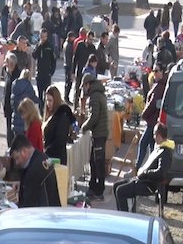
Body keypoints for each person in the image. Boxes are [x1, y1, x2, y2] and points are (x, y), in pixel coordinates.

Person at [115, 124, 173, 212]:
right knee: (116, 186)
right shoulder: (159, 147)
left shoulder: (165, 152)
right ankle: (121, 214)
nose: (153, 137)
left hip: (149, 184)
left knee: (120, 191)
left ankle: (125, 217)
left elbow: (161, 173)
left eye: (154, 135)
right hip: (143, 179)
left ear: (159, 136)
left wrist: (145, 173)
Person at [9, 134, 61, 208]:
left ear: (24, 151)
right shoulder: (43, 157)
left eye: (17, 158)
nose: (17, 162)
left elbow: (28, 206)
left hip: (44, 212)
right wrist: (22, 184)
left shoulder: (33, 171)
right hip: (54, 208)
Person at [80, 72, 109, 201]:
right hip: (100, 133)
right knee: (94, 161)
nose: (84, 89)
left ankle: (98, 190)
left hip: (99, 134)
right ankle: (93, 187)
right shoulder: (99, 93)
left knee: (98, 163)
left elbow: (94, 117)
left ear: (88, 84)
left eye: (84, 86)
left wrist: (84, 127)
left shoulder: (94, 97)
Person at [137, 62, 167, 170]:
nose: (154, 73)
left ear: (162, 72)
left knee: (143, 143)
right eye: (153, 70)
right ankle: (150, 169)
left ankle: (138, 168)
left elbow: (153, 104)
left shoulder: (159, 87)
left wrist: (144, 115)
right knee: (152, 146)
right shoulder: (160, 85)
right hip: (155, 121)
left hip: (153, 122)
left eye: (156, 71)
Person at [42, 86, 75, 165]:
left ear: (56, 100)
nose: (48, 103)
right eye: (47, 100)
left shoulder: (62, 116)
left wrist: (46, 151)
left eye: (50, 100)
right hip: (50, 157)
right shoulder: (50, 114)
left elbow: (60, 141)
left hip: (57, 158)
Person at [11, 69, 38, 139]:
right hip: (24, 120)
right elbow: (34, 100)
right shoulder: (29, 87)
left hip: (15, 118)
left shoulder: (14, 85)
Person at [32, 29, 55, 111]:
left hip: (47, 74)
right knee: (40, 94)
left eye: (44, 36)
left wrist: (51, 72)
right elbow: (34, 55)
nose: (43, 38)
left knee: (47, 94)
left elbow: (53, 60)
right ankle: (40, 110)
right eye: (42, 36)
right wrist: (39, 46)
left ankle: (46, 110)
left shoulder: (50, 46)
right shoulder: (38, 45)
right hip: (39, 73)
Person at [73, 31, 96, 103]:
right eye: (90, 39)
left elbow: (94, 60)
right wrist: (73, 72)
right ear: (86, 38)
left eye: (92, 40)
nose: (91, 41)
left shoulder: (92, 47)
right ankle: (75, 105)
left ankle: (83, 107)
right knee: (77, 90)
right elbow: (75, 59)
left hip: (88, 74)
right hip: (80, 71)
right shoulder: (80, 45)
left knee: (86, 93)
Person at [3, 53, 20, 145]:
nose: (7, 65)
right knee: (9, 132)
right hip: (8, 107)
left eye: (9, 63)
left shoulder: (18, 75)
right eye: (7, 63)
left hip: (14, 109)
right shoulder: (7, 73)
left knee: (13, 133)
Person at [62, 32, 76, 103]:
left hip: (66, 64)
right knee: (69, 82)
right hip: (69, 65)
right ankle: (66, 97)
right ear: (70, 37)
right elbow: (71, 57)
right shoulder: (69, 45)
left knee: (67, 82)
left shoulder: (65, 43)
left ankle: (66, 96)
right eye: (73, 37)